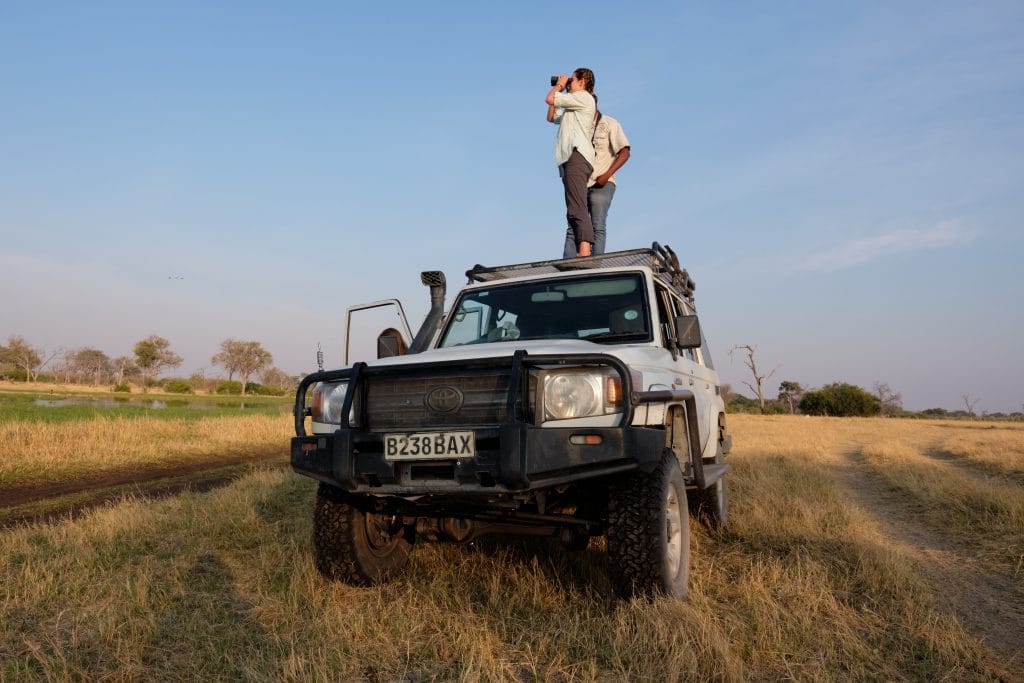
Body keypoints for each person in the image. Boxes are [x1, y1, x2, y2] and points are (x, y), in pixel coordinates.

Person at [562, 108, 631, 258]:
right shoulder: (576, 126)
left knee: (597, 226)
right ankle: (568, 266)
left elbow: (625, 152)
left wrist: (606, 175)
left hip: (602, 183)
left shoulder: (609, 123)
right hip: (579, 184)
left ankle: (594, 266)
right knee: (573, 226)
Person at [546, 68, 597, 257]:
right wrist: (560, 90)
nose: (569, 83)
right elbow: (551, 117)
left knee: (577, 205)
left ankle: (584, 251)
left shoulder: (584, 97)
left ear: (582, 82)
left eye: (572, 80)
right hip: (570, 157)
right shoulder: (572, 103)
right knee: (573, 206)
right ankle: (582, 250)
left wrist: (559, 85)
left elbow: (550, 98)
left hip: (577, 155)